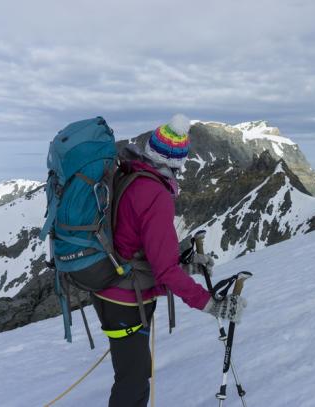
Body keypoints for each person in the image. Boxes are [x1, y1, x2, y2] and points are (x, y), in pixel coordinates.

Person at [91, 114, 246, 407]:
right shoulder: (154, 194)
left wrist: (187, 265)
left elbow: (133, 242)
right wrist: (211, 303)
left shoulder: (129, 173)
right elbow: (164, 271)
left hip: (112, 288)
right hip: (124, 298)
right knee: (133, 383)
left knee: (132, 376)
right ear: (178, 161)